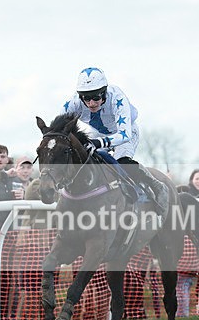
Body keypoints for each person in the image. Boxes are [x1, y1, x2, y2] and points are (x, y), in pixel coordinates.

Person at [61, 67, 168, 215]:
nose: (91, 103)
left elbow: (124, 135)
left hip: (125, 132)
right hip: (98, 133)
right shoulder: (74, 103)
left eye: (96, 97)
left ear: (104, 93)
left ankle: (155, 185)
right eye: (86, 98)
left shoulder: (117, 97)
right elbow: (60, 130)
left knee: (121, 161)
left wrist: (99, 143)